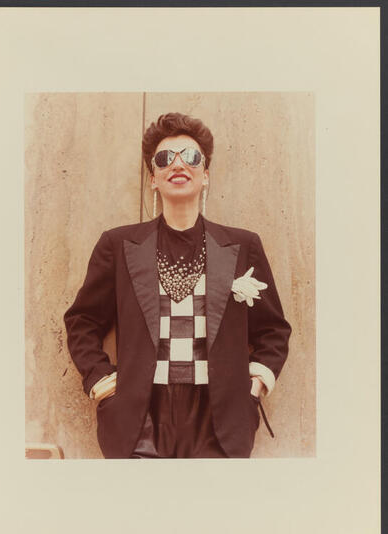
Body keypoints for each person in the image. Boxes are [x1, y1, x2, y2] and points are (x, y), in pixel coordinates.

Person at [64, 112, 291, 458]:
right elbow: (83, 320)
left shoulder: (243, 246)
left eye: (192, 157)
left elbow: (273, 330)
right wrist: (100, 381)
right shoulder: (118, 245)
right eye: (165, 158)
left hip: (221, 419)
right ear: (153, 178)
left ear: (206, 175)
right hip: (138, 416)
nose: (178, 164)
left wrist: (254, 385)